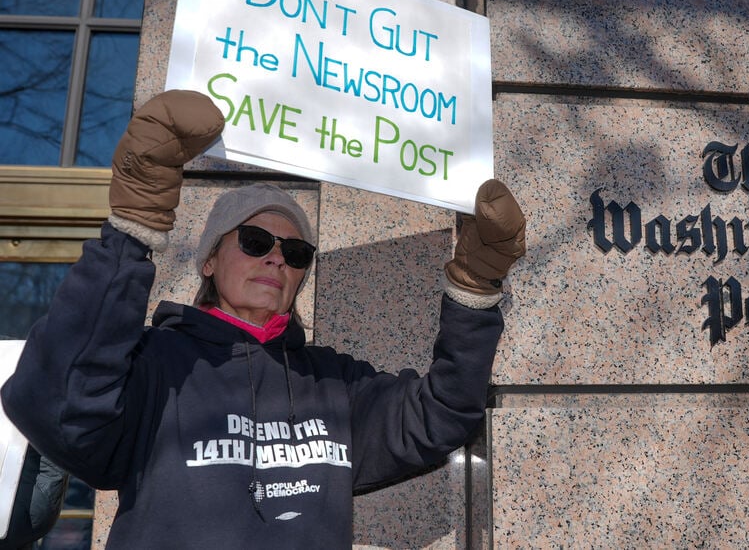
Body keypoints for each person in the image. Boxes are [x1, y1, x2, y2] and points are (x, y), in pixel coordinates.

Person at [0, 90, 526, 548]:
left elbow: (441, 415)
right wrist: (133, 226)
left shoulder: (331, 382)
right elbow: (54, 401)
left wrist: (473, 291)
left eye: (296, 253)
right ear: (209, 260)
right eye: (255, 242)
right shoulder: (154, 362)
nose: (277, 258)